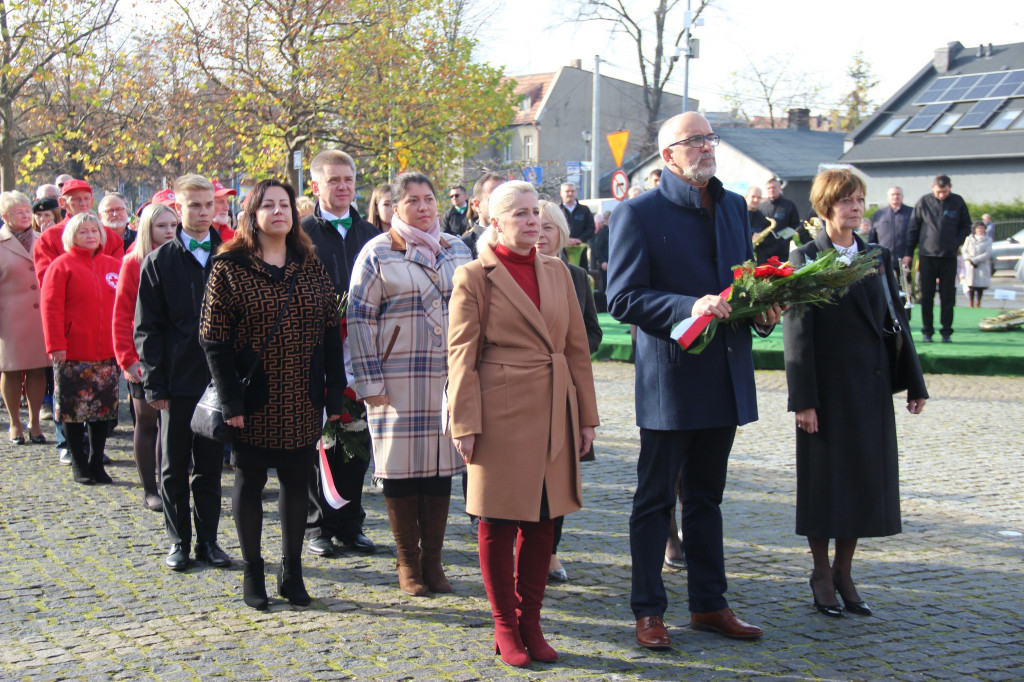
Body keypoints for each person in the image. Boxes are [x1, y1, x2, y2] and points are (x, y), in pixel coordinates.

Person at [607, 112, 782, 650]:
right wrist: (692, 305)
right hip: (671, 379)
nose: (708, 148)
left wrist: (761, 310)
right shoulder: (636, 213)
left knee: (707, 498)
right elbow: (622, 298)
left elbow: (741, 282)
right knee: (655, 500)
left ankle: (709, 604)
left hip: (725, 374)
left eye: (710, 139)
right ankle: (648, 610)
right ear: (668, 155)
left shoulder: (733, 207)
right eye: (695, 141)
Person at [447, 180, 599, 667]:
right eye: (521, 215)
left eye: (537, 213)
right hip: (499, 412)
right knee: (496, 518)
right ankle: (504, 624)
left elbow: (576, 350)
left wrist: (587, 419)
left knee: (543, 520)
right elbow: (461, 357)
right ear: (495, 222)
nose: (534, 222)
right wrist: (464, 423)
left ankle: (531, 620)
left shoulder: (558, 272)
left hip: (556, 407)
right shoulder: (474, 276)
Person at [784, 168, 927, 618]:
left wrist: (914, 382)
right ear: (827, 205)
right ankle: (821, 571)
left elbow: (895, 320)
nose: (856, 208)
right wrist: (803, 399)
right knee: (826, 484)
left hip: (869, 387)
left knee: (864, 483)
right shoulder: (805, 257)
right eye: (847, 200)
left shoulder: (878, 256)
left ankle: (846, 571)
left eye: (861, 200)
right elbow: (798, 333)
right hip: (826, 392)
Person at [200, 179, 346, 610]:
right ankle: (253, 571)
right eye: (268, 205)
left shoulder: (310, 264)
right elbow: (213, 340)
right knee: (249, 483)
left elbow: (330, 332)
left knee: (297, 484)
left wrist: (333, 393)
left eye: (284, 204)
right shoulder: (230, 266)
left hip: (302, 396)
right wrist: (231, 402)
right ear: (252, 213)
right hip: (254, 400)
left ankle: (292, 570)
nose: (278, 212)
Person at [348, 172, 471, 596]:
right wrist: (368, 381)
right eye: (413, 200)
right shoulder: (377, 252)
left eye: (429, 199)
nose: (423, 207)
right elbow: (359, 318)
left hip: (447, 377)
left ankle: (434, 561)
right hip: (395, 378)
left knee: (441, 468)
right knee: (400, 470)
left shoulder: (458, 249)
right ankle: (407, 562)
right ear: (395, 208)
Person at [135, 174, 232, 572]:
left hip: (218, 379)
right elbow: (147, 328)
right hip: (176, 381)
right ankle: (179, 542)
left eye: (208, 204)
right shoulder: (159, 261)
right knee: (174, 465)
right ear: (178, 209)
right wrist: (154, 382)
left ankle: (209, 540)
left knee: (210, 465)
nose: (203, 211)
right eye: (194, 205)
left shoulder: (230, 255)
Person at [301, 149, 379, 557]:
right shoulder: (302, 233)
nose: (344, 186)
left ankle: (351, 522)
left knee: (357, 438)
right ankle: (318, 527)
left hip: (364, 353)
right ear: (315, 185)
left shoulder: (372, 235)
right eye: (334, 180)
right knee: (321, 441)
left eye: (348, 179)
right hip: (316, 354)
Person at [33, 179, 123, 466]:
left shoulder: (110, 239)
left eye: (87, 198)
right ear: (63, 203)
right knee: (71, 403)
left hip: (105, 342)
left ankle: (96, 453)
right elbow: (50, 295)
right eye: (76, 199)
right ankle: (69, 446)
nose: (83, 203)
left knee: (102, 406)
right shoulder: (51, 240)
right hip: (73, 339)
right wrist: (56, 341)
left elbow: (121, 289)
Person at [535, 199, 601, 583]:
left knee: (559, 476)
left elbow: (592, 332)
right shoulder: (509, 274)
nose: (541, 235)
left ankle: (551, 552)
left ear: (561, 234)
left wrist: (566, 353)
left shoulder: (577, 277)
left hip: (566, 389)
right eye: (535, 226)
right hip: (525, 388)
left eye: (549, 228)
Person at [113, 203, 178, 511]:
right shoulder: (133, 262)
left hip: (175, 357)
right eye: (161, 226)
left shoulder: (181, 259)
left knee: (171, 423)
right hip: (142, 357)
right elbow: (122, 315)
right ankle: (149, 489)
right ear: (147, 229)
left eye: (173, 226)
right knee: (147, 421)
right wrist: (128, 359)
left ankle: (169, 485)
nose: (168, 232)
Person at [0, 191, 49, 445]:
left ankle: (35, 422)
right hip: (10, 317)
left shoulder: (43, 239)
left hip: (40, 316)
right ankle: (15, 423)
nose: (25, 215)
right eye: (18, 211)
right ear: (5, 216)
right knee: (11, 371)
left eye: (27, 210)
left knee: (37, 370)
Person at [905, 175, 972, 343]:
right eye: (939, 192)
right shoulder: (924, 202)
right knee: (926, 296)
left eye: (945, 191)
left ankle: (946, 331)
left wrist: (955, 243)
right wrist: (908, 253)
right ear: (932, 187)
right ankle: (927, 330)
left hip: (949, 257)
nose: (942, 195)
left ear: (950, 187)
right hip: (927, 256)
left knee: (947, 295)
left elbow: (966, 226)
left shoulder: (957, 202)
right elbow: (913, 228)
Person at [461, 172, 505, 259]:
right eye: (494, 199)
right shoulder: (463, 246)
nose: (502, 204)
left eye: (506, 199)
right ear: (477, 205)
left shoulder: (521, 240)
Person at [868, 186, 913, 270]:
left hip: (904, 258)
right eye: (893, 194)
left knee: (904, 282)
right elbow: (872, 238)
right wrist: (873, 256)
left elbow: (914, 236)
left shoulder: (911, 212)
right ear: (888, 197)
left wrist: (908, 255)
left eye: (898, 194)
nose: (895, 197)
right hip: (883, 259)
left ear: (902, 196)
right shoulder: (879, 214)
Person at [759, 177, 800, 262]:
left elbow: (795, 224)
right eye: (769, 188)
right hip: (763, 251)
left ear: (779, 188)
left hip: (782, 251)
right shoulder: (760, 207)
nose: (771, 190)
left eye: (774, 187)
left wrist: (784, 239)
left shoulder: (789, 205)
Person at [962, 221, 992, 308]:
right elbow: (964, 250)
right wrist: (969, 259)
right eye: (978, 228)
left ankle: (978, 303)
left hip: (981, 265)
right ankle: (970, 302)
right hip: (971, 265)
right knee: (971, 285)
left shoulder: (988, 240)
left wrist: (976, 260)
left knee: (980, 287)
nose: (980, 230)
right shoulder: (969, 239)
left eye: (982, 228)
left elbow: (988, 253)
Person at [745, 186, 773, 264]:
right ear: (746, 196)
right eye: (753, 196)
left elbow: (771, 241)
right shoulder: (738, 215)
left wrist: (763, 239)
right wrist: (751, 235)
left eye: (759, 197)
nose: (756, 200)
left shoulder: (763, 217)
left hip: (758, 260)